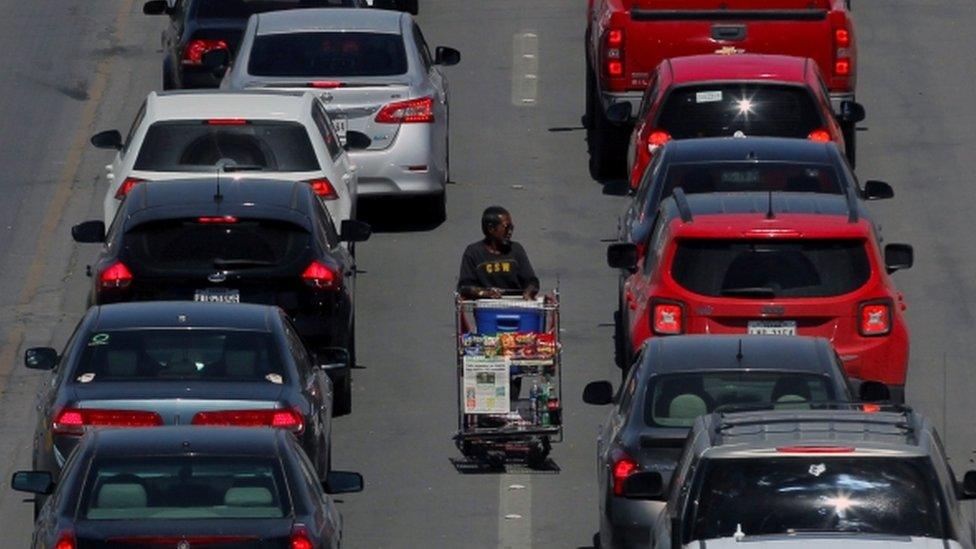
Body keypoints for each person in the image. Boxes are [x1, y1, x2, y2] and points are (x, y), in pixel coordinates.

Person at [458, 206, 539, 299]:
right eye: (506, 227)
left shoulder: (516, 249)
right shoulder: (473, 252)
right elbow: (465, 286)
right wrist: (485, 293)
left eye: (512, 227)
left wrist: (529, 291)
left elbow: (532, 281)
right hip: (487, 309)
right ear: (491, 229)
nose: (510, 231)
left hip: (516, 306)